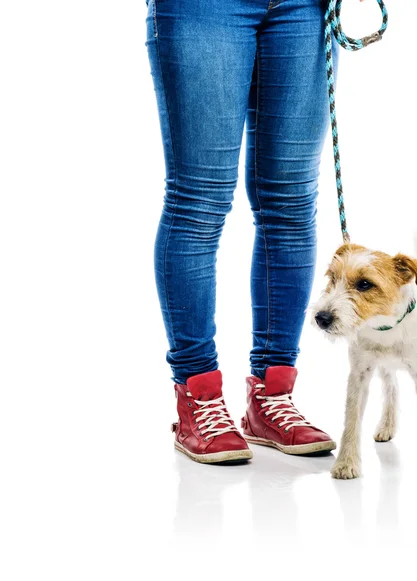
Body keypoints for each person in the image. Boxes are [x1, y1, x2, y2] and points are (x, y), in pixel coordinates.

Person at [145, 0, 343, 464]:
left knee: (292, 204)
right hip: (202, 8)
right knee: (199, 201)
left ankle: (271, 397)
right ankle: (198, 397)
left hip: (303, 8)